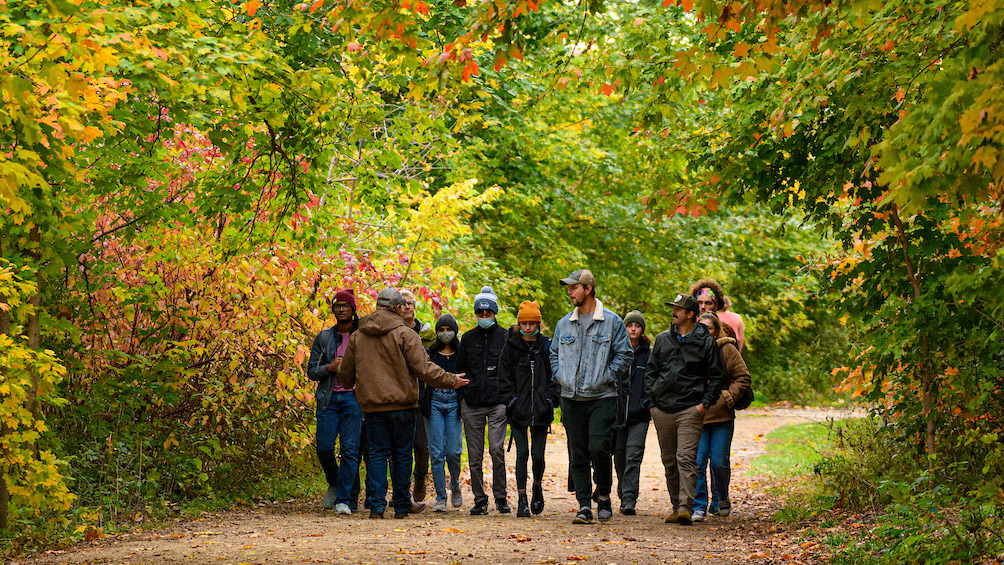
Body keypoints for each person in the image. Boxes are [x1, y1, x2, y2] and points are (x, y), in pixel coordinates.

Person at [338, 287, 468, 519]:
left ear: (378, 305)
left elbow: (345, 376)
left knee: (377, 454)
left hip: (372, 406)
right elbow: (424, 369)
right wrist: (451, 381)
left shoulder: (358, 336)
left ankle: (377, 507)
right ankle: (400, 505)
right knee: (402, 454)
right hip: (402, 405)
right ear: (398, 308)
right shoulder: (406, 334)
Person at [550, 269, 632, 524]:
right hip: (571, 397)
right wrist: (560, 376)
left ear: (588, 289)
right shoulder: (564, 323)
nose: (569, 292)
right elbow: (553, 353)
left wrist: (606, 375)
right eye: (568, 288)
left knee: (599, 448)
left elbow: (625, 354)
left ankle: (604, 495)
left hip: (602, 397)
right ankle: (584, 505)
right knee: (578, 454)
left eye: (573, 287)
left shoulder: (612, 321)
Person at [644, 293, 727, 525]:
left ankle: (685, 508)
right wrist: (651, 405)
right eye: (673, 308)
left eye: (677, 309)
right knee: (669, 460)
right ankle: (675, 506)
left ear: (690, 314)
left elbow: (717, 376)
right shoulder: (662, 340)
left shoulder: (705, 342)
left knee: (686, 459)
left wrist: (703, 405)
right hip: (662, 409)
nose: (673, 312)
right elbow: (650, 373)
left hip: (690, 409)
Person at [499, 301, 561, 517]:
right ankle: (522, 498)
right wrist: (512, 401)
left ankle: (537, 487)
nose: (527, 327)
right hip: (518, 411)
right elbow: (503, 377)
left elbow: (556, 376)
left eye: (532, 323)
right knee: (522, 453)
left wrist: (550, 399)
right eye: (524, 323)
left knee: (538, 455)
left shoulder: (546, 346)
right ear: (519, 323)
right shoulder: (511, 346)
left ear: (538, 324)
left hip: (541, 410)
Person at [306, 289, 361, 515]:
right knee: (324, 447)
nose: (341, 309)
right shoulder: (324, 337)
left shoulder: (362, 336)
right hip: (328, 399)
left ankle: (343, 499)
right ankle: (334, 481)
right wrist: (329, 367)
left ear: (353, 309)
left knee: (350, 450)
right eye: (337, 306)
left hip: (354, 399)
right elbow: (311, 371)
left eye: (345, 306)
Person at [692, 312, 751, 522]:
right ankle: (698, 505)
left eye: (708, 328)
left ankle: (721, 498)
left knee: (719, 462)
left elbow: (743, 377)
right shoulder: (690, 349)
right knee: (697, 462)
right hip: (697, 416)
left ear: (716, 330)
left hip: (722, 417)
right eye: (700, 327)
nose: (704, 332)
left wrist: (727, 397)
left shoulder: (727, 349)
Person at [456, 286, 509, 515]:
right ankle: (479, 499)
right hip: (472, 403)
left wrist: (508, 399)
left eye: (488, 313)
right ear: (476, 313)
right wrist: (462, 399)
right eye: (480, 313)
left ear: (495, 312)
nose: (484, 316)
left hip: (498, 402)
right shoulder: (467, 339)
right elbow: (459, 371)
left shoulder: (506, 337)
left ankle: (501, 497)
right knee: (474, 456)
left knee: (497, 449)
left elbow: (510, 369)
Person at [421, 313, 465, 512]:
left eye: (449, 329)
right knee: (437, 452)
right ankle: (440, 497)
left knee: (453, 451)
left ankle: (455, 484)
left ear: (455, 331)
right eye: (441, 330)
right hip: (435, 402)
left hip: (455, 402)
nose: (445, 333)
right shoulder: (430, 354)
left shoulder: (461, 353)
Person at [613, 310, 651, 515]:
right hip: (617, 413)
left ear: (642, 329)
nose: (633, 329)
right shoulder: (616, 351)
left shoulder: (648, 355)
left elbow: (653, 380)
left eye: (637, 326)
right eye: (630, 325)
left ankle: (629, 498)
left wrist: (648, 403)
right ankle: (622, 490)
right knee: (619, 456)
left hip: (640, 414)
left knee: (633, 455)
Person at [400, 289, 432, 504]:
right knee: (398, 448)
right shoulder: (391, 332)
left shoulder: (426, 333)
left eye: (409, 303)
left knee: (421, 445)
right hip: (397, 396)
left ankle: (420, 478)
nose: (406, 306)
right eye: (402, 304)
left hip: (421, 397)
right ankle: (400, 489)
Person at [689, 278, 744, 352]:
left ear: (716, 306)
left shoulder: (726, 330)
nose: (703, 307)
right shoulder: (687, 328)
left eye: (708, 303)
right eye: (699, 303)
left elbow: (733, 356)